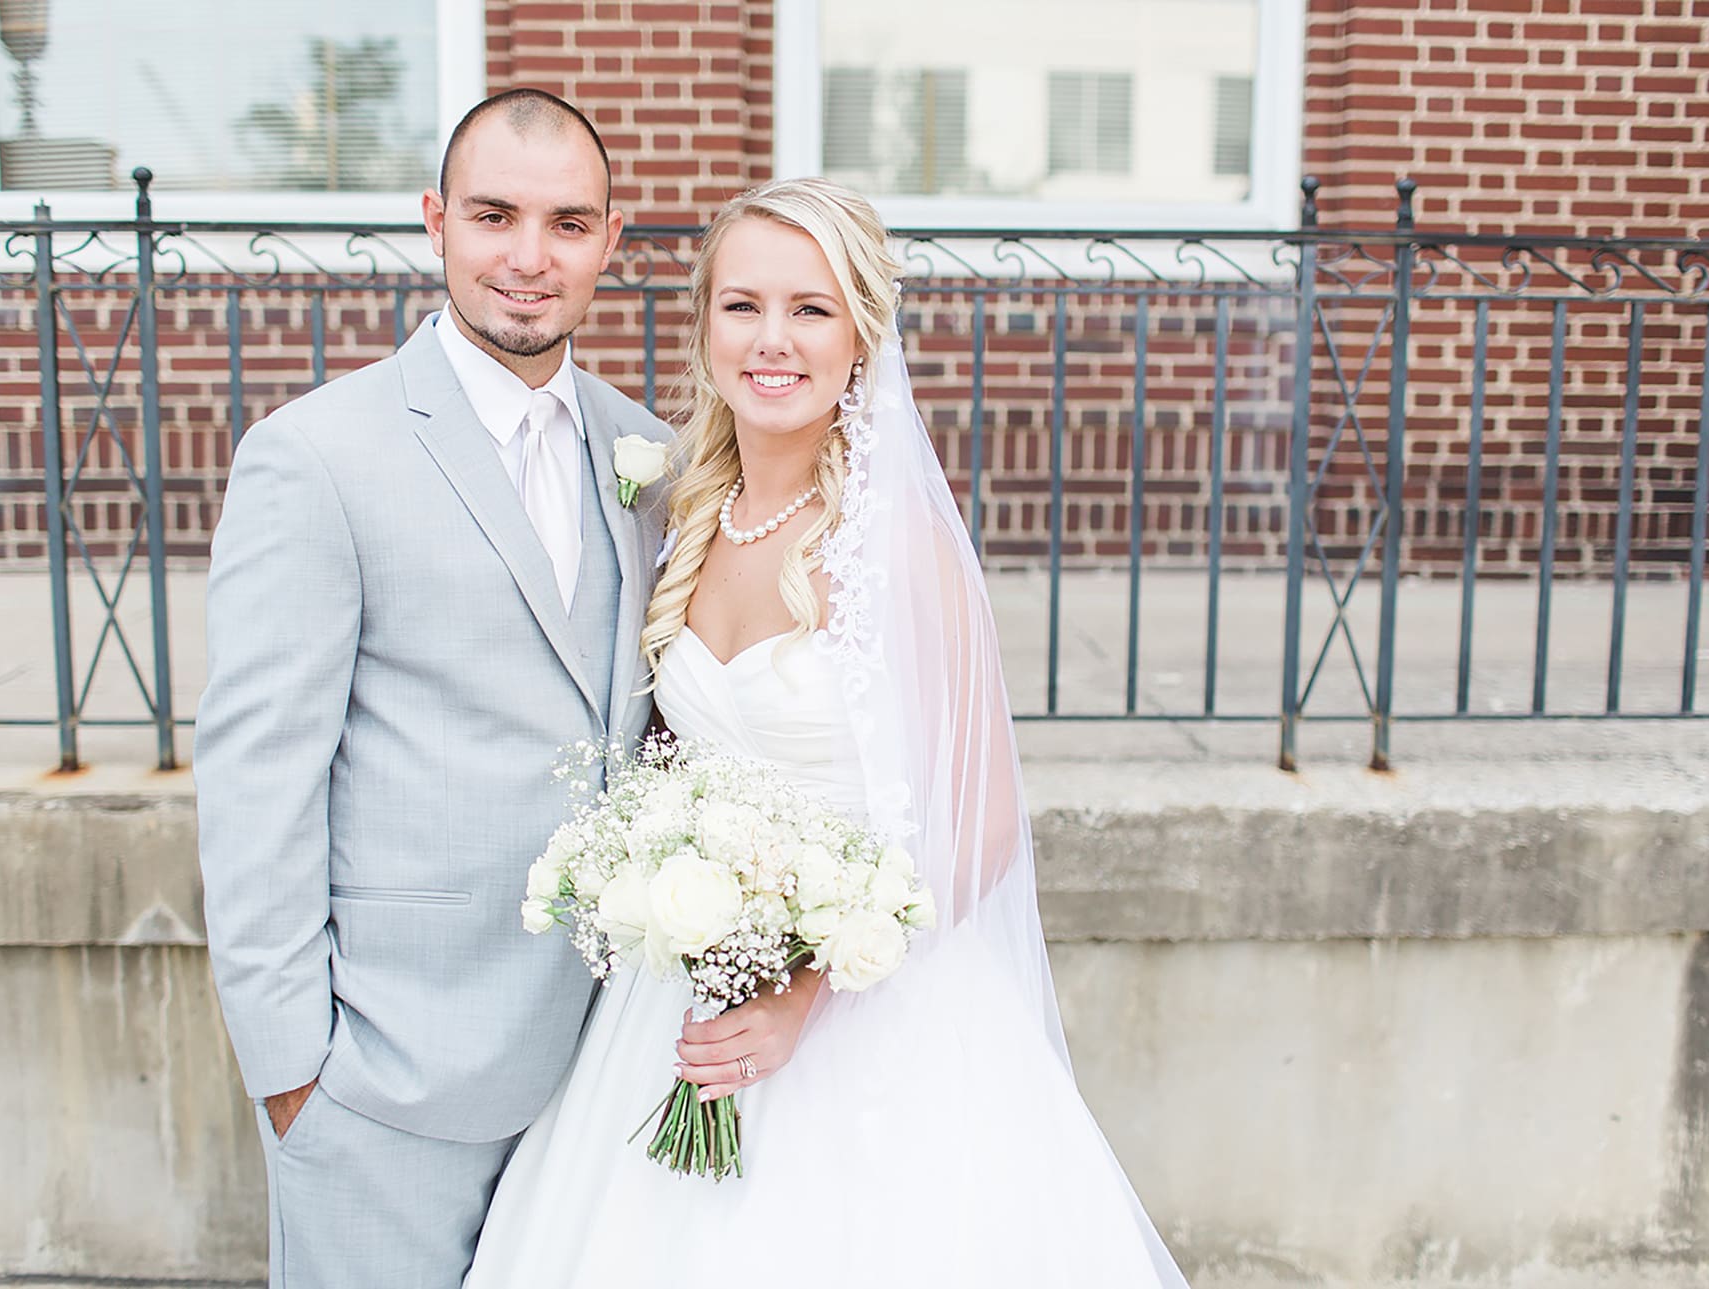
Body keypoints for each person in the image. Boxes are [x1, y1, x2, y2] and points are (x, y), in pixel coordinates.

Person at [465, 177, 1188, 1287]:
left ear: (861, 337)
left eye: (811, 309)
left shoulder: (896, 546)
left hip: (868, 1014)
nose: (772, 339)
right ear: (703, 323)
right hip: (679, 996)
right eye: (742, 304)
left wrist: (803, 985)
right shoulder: (678, 514)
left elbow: (982, 822)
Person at [193, 91, 716, 1288]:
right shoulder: (317, 455)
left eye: (567, 224)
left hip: (600, 1070)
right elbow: (257, 777)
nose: (529, 259)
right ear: (435, 222)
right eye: (494, 216)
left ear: (610, 240)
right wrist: (294, 1074)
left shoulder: (649, 456)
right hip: (388, 1072)